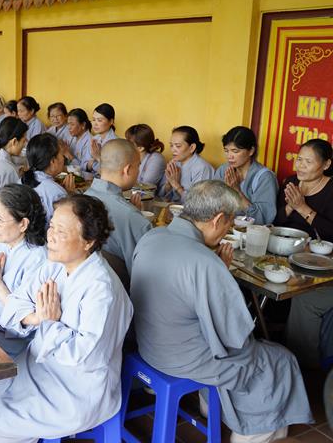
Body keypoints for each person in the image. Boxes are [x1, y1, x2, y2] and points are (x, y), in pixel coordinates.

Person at [131, 180, 312, 443]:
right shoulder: (203, 262)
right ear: (217, 220)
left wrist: (214, 268)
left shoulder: (152, 236)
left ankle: (210, 403)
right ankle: (253, 435)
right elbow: (234, 337)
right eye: (229, 223)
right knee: (278, 359)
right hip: (183, 359)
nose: (228, 229)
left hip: (149, 346)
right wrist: (218, 272)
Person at [0, 195, 134, 442]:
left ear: (89, 241)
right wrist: (37, 318)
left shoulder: (100, 288)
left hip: (75, 388)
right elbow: (16, 303)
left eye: (61, 231)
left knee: (1, 427)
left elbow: (80, 353)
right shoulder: (55, 264)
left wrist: (50, 322)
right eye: (51, 226)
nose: (50, 236)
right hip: (38, 366)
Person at [0, 184, 47, 358]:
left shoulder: (38, 259)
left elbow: (26, 323)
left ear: (23, 224)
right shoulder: (0, 243)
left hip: (7, 337)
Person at [275, 139, 333, 369]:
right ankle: (272, 344)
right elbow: (276, 223)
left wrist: (302, 207)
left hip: (323, 263)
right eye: (299, 159)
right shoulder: (291, 182)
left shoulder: (331, 190)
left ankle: (302, 368)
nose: (300, 165)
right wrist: (290, 206)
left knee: (302, 297)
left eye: (308, 162)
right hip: (290, 255)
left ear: (326, 164)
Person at [84, 139, 151, 272]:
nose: (138, 172)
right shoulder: (131, 216)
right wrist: (134, 216)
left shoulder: (80, 199)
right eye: (138, 166)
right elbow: (144, 270)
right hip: (117, 287)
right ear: (127, 169)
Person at [213, 126, 278, 224]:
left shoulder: (265, 177)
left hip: (250, 232)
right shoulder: (224, 170)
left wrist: (236, 191)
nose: (229, 156)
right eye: (226, 151)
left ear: (251, 151)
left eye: (235, 151)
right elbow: (211, 201)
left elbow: (263, 219)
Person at [21, 133, 75, 223]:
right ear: (53, 161)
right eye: (61, 155)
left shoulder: (21, 181)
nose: (63, 159)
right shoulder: (57, 192)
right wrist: (69, 198)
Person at [159, 125, 214, 202]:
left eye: (178, 146)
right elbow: (160, 195)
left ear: (192, 148)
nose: (173, 150)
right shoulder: (174, 163)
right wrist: (168, 184)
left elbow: (197, 202)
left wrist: (177, 185)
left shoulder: (202, 168)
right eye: (171, 145)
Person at [125, 123, 166, 191]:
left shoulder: (156, 159)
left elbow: (144, 186)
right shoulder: (130, 156)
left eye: (129, 143)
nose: (125, 145)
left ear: (140, 148)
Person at [84, 103, 119, 176]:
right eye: (93, 120)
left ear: (111, 121)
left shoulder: (116, 143)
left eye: (99, 120)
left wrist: (97, 158)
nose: (95, 124)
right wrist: (96, 164)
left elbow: (112, 172)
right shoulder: (94, 139)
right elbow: (84, 164)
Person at [59, 108, 94, 179]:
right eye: (68, 124)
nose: (69, 127)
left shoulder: (90, 141)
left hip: (85, 179)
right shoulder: (72, 137)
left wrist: (68, 155)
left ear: (83, 125)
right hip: (71, 175)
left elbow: (85, 168)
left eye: (72, 124)